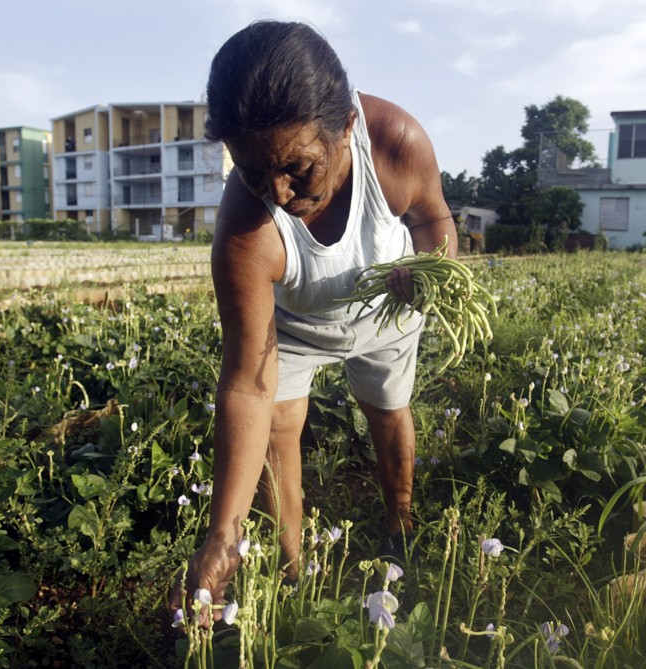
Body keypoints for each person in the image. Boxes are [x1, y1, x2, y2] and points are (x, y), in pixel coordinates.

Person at [171, 20, 457, 624]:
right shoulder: (246, 234)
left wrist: (431, 272)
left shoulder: (397, 145)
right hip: (296, 326)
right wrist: (224, 534)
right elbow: (248, 383)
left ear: (347, 127)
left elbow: (435, 221)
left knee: (387, 413)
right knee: (279, 424)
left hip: (386, 306)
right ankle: (292, 570)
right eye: (252, 171)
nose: (276, 191)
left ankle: (400, 524)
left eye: (296, 167)